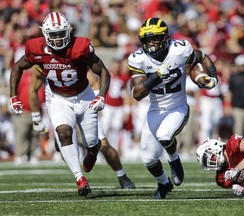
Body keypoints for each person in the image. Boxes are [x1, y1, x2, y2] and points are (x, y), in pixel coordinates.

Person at [9, 12, 111, 197]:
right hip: (59, 99)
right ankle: (79, 178)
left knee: (92, 144)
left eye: (61, 33)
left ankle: (92, 153)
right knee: (64, 133)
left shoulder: (80, 47)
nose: (57, 39)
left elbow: (103, 71)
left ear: (68, 31)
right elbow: (17, 67)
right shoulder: (36, 47)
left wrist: (102, 95)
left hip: (84, 96)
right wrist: (13, 95)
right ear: (45, 34)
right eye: (53, 34)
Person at [128, 17, 218, 199]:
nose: (151, 44)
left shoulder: (179, 49)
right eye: (147, 39)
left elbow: (200, 57)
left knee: (164, 135)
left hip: (178, 107)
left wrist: (210, 76)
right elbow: (137, 94)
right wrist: (155, 76)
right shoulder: (138, 59)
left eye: (155, 39)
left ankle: (174, 159)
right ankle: (163, 184)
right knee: (148, 158)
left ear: (165, 38)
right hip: (155, 109)